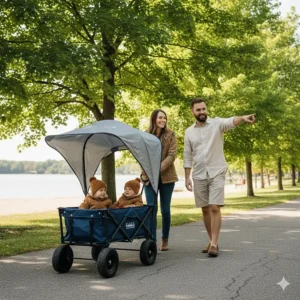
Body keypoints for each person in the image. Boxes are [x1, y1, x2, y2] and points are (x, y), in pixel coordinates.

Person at [184, 97, 255, 257]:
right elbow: (187, 155)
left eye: (203, 109)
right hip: (199, 173)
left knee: (215, 207)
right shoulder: (189, 132)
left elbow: (231, 121)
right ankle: (211, 240)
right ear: (193, 111)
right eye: (198, 110)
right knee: (205, 209)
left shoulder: (216, 124)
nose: (202, 112)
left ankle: (214, 244)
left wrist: (243, 118)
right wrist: (187, 177)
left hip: (217, 171)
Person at [142, 109, 178, 251]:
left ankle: (165, 239)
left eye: (164, 118)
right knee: (151, 209)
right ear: (154, 119)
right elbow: (141, 154)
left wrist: (158, 168)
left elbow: (172, 154)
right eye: (160, 118)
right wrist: (147, 169)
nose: (162, 120)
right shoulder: (145, 135)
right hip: (148, 177)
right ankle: (152, 240)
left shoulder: (171, 135)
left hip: (167, 177)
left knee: (165, 210)